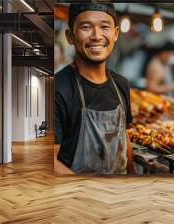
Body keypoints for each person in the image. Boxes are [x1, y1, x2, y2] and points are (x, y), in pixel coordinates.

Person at [54, 3, 134, 175]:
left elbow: (124, 139)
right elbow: (51, 161)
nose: (97, 36)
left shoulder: (121, 84)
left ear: (116, 33)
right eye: (86, 27)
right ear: (70, 36)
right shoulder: (58, 88)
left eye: (105, 27)